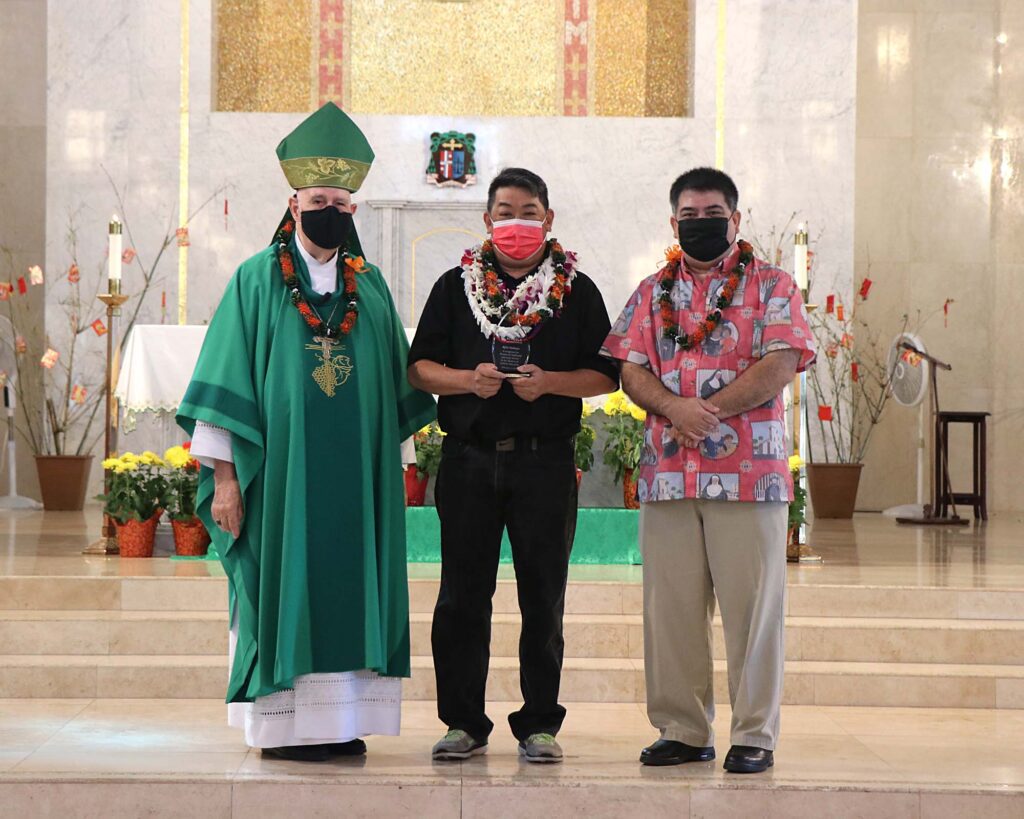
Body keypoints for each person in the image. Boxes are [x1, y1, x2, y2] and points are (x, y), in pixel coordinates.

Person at [178, 102, 436, 763]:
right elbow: (225, 383)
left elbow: (393, 392)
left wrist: (395, 472)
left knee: (350, 584)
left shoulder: (369, 289)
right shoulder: (256, 279)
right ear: (293, 204)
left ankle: (341, 721)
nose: (330, 212)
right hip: (280, 481)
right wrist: (226, 480)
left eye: (341, 204)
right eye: (319, 200)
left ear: (354, 210)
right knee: (283, 580)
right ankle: (283, 728)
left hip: (356, 483)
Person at [601, 167, 815, 774]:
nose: (701, 224)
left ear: (735, 219)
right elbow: (629, 367)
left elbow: (782, 363)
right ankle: (683, 729)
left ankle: (754, 735)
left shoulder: (773, 285)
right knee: (670, 611)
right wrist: (674, 409)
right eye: (689, 217)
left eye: (713, 214)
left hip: (750, 476)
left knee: (754, 612)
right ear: (673, 224)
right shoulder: (651, 292)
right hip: (669, 475)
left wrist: (706, 411)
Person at [408, 168, 618, 764]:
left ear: (548, 219)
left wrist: (551, 383)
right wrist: (465, 381)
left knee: (543, 597)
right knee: (461, 598)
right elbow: (419, 367)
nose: (516, 223)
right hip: (469, 461)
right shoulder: (455, 287)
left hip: (543, 463)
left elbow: (607, 374)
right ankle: (463, 722)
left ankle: (539, 724)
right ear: (487, 219)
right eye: (505, 212)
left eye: (528, 212)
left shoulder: (576, 291)